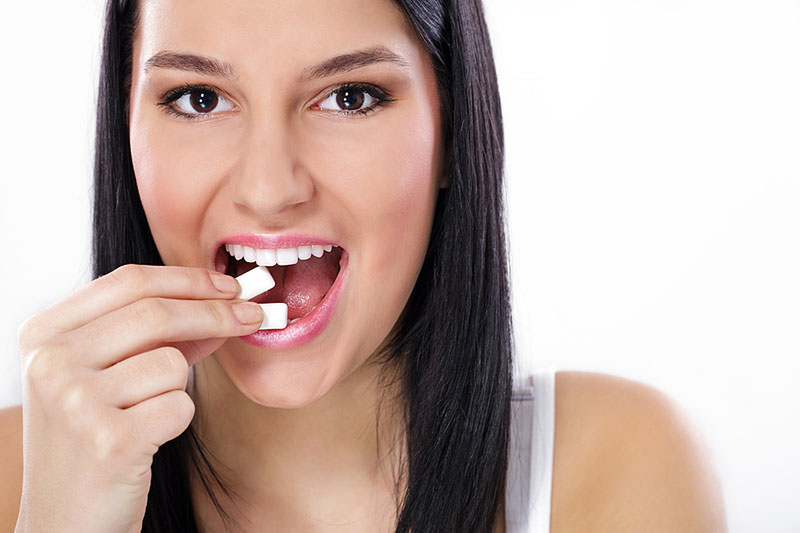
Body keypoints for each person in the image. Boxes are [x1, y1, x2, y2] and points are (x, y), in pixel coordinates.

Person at [1, 0, 727, 531]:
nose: (269, 187)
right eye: (200, 98)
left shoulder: (615, 468)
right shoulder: (22, 482)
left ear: (450, 133)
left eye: (349, 98)